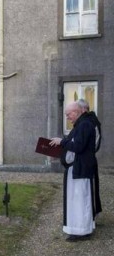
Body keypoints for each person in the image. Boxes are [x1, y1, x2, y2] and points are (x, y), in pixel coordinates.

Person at [50, 102, 98, 242]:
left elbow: (78, 146)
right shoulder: (81, 124)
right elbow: (72, 144)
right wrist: (58, 149)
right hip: (78, 168)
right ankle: (81, 228)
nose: (67, 117)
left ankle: (82, 230)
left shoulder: (85, 124)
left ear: (77, 112)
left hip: (81, 168)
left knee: (80, 200)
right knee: (78, 199)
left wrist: (61, 142)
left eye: (68, 114)